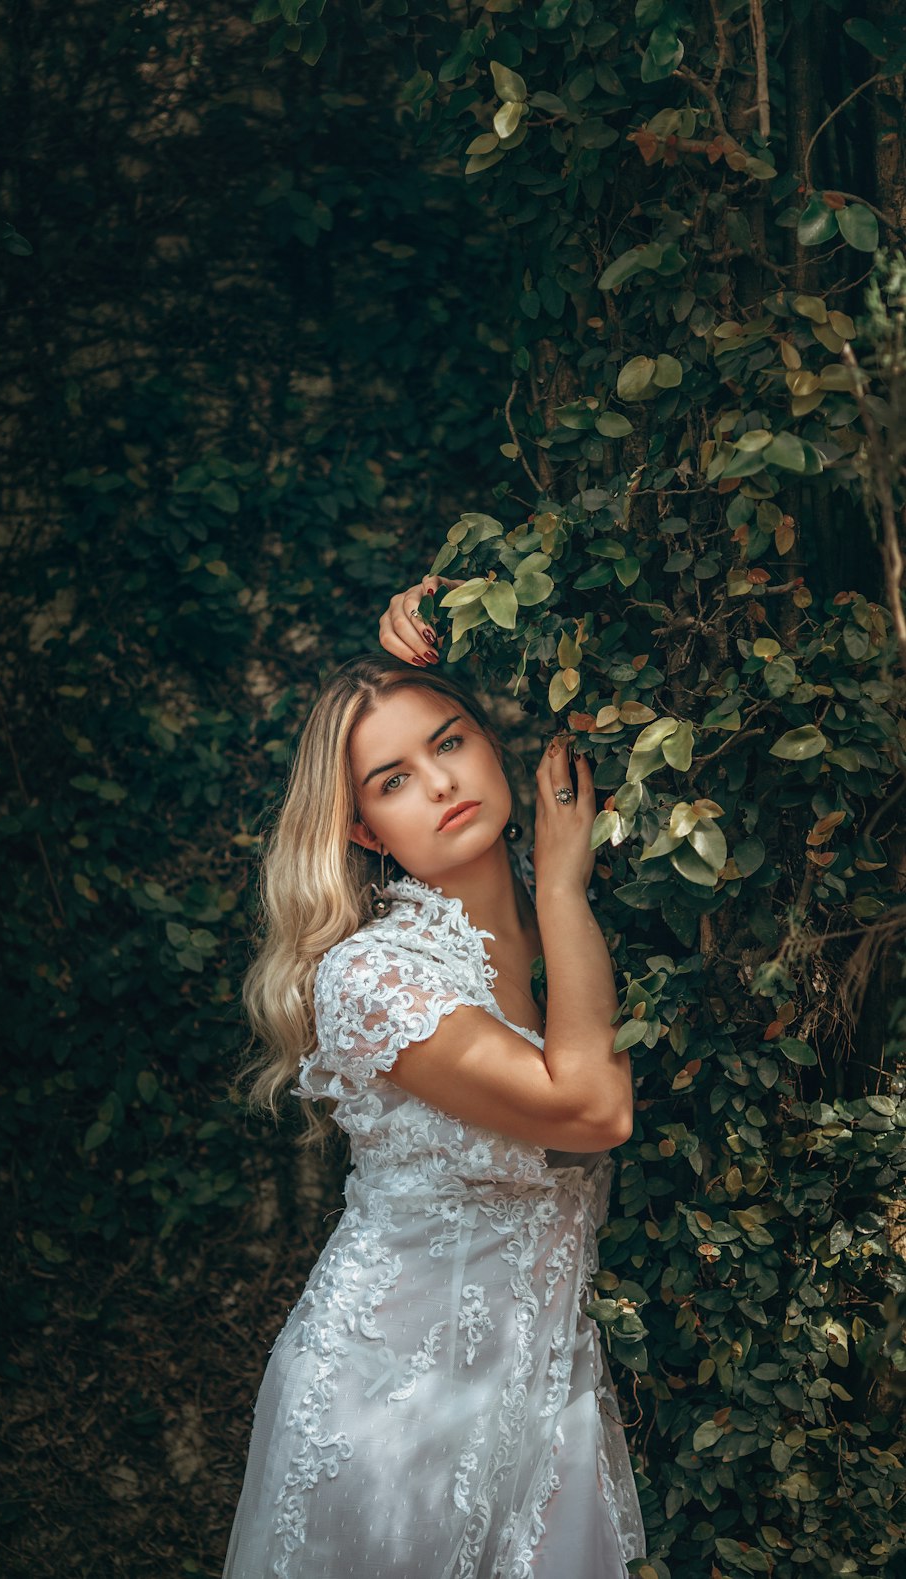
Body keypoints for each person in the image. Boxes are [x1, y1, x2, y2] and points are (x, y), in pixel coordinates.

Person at [222, 575, 648, 1578]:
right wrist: (563, 885)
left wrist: (468, 597)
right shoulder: (372, 976)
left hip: (543, 1397)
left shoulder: (554, 965)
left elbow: (606, 637)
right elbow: (589, 1109)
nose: (440, 782)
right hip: (388, 1415)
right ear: (365, 830)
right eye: (392, 778)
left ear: (492, 745)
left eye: (448, 742)